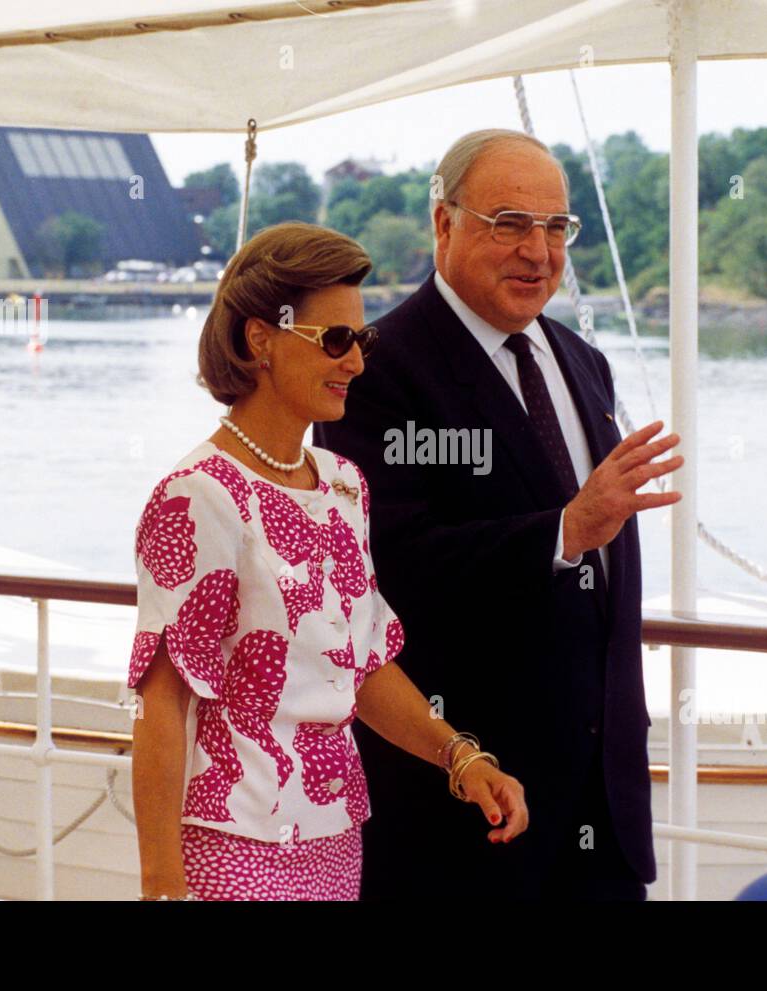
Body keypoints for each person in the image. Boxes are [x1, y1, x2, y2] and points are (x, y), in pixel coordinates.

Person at [315, 130, 683, 900]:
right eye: (511, 222)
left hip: (603, 814)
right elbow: (391, 568)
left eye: (556, 228)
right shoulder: (375, 372)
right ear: (443, 224)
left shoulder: (584, 362)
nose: (539, 252)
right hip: (458, 816)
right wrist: (565, 532)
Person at [129, 221, 528, 901]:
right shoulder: (200, 494)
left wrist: (460, 756)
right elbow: (161, 701)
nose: (357, 363)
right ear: (261, 339)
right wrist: (162, 884)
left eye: (361, 341)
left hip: (336, 840)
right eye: (336, 341)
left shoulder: (344, 486)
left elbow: (363, 664)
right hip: (234, 844)